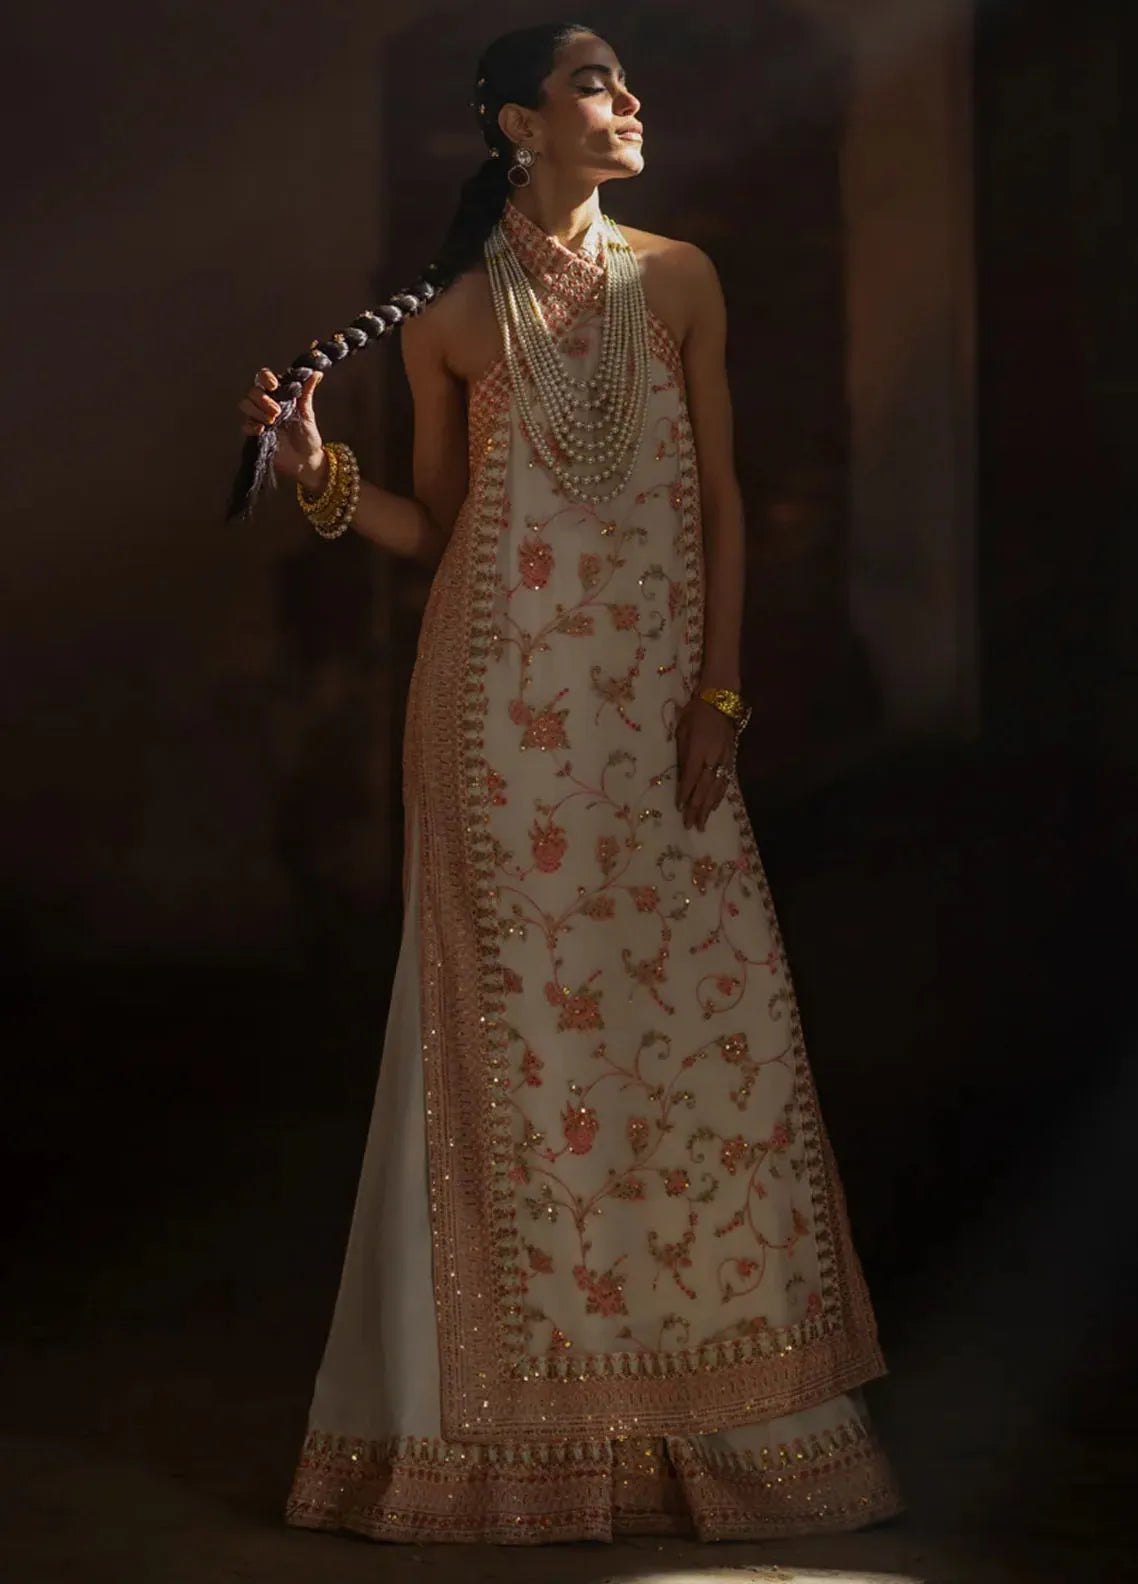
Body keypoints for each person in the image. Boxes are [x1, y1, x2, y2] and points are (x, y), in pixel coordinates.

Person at [235, 21, 902, 1547]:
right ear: (517, 124)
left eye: (621, 77)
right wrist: (318, 475)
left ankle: (702, 1430)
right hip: (496, 730)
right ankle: (515, 1448)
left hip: (654, 721)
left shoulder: (681, 280)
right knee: (518, 1058)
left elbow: (719, 499)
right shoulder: (448, 320)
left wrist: (716, 695)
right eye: (596, 80)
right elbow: (441, 530)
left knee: (695, 1045)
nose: (629, 98)